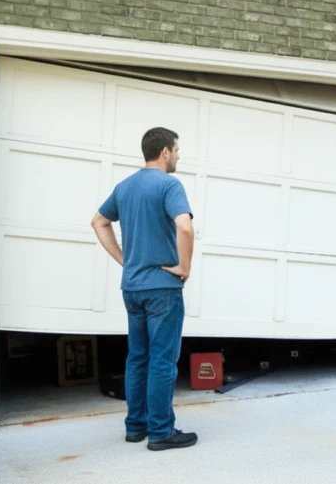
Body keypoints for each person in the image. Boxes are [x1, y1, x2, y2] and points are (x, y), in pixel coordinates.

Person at [91, 127, 198, 451]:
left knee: (138, 357)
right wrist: (184, 267)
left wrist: (125, 260)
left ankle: (136, 426)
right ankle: (162, 431)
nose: (179, 155)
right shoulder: (169, 184)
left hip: (133, 288)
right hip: (162, 288)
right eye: (177, 149)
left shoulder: (124, 187)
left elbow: (98, 221)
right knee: (163, 360)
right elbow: (185, 226)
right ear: (165, 151)